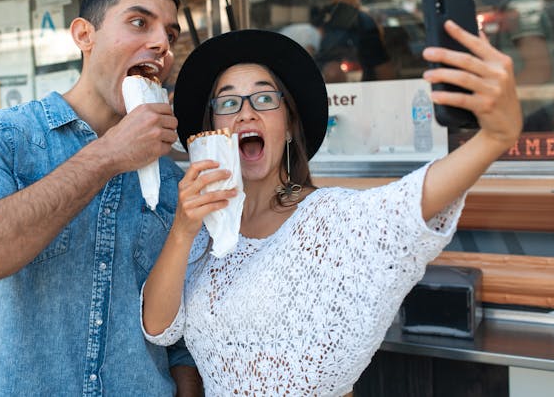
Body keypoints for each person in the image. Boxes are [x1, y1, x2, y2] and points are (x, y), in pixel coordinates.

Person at [140, 23, 522, 395]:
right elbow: (159, 328)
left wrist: (493, 139)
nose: (245, 113)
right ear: (214, 130)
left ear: (289, 124)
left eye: (264, 98)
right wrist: (182, 230)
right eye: (228, 102)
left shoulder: (326, 219)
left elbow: (411, 202)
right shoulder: (204, 229)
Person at [0, 0, 202, 395]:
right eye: (138, 22)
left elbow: (178, 338)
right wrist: (109, 155)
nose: (162, 45)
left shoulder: (171, 179)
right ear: (83, 35)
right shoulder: (0, 137)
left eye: (170, 33)